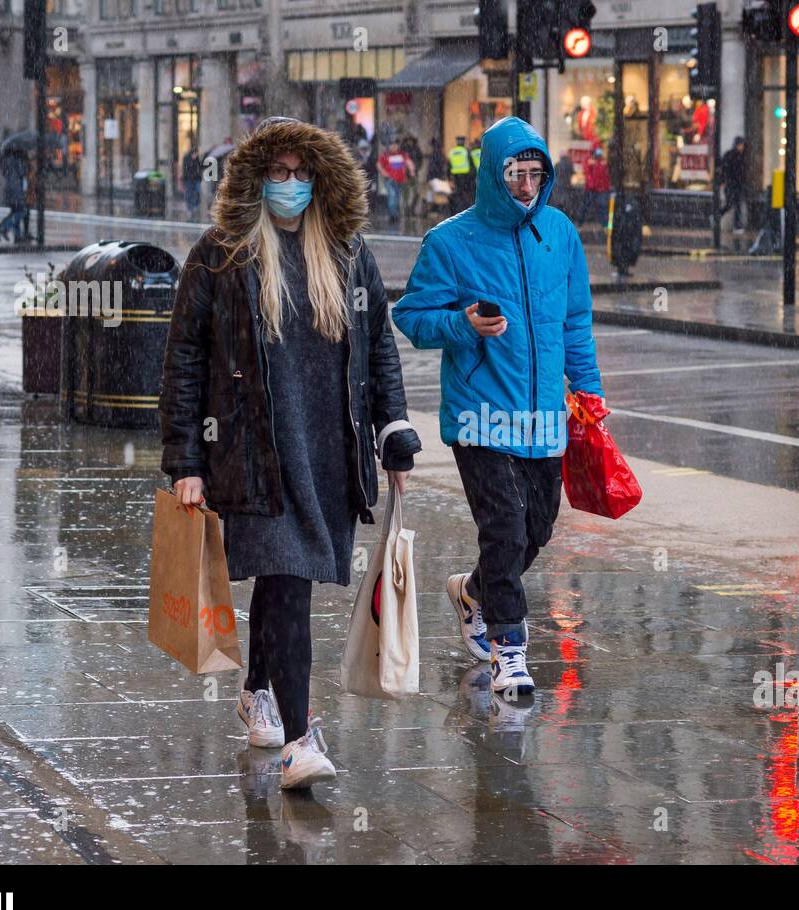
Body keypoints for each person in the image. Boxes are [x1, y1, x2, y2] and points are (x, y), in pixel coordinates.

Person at [159, 116, 421, 789]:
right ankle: (301, 740)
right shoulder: (221, 253)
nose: (291, 184)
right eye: (278, 172)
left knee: (283, 583)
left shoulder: (346, 252)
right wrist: (185, 460)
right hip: (252, 451)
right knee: (288, 580)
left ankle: (257, 688)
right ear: (254, 179)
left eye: (303, 173)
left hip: (328, 455)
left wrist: (393, 432)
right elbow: (186, 356)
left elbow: (379, 346)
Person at [392, 117, 605, 697]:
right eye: (517, 174)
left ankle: (474, 591)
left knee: (536, 528)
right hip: (480, 416)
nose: (528, 185)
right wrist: (461, 325)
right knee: (506, 528)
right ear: (494, 173)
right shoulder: (450, 241)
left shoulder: (559, 234)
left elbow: (575, 323)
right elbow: (410, 316)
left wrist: (587, 391)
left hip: (542, 417)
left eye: (537, 174)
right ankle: (510, 651)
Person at [0, 150, 28, 243]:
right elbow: (23, 174)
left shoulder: (5, 160)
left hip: (9, 188)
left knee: (15, 211)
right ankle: (3, 228)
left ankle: (17, 236)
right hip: (16, 188)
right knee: (21, 211)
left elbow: (6, 173)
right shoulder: (17, 160)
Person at [376, 140, 412, 226]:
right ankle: (393, 216)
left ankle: (395, 214)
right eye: (392, 145)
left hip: (400, 180)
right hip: (390, 180)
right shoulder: (386, 155)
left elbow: (409, 162)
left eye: (395, 145)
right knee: (392, 197)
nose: (393, 147)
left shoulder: (402, 154)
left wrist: (411, 171)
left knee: (396, 198)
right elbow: (378, 164)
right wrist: (384, 173)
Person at [718, 136, 747, 234]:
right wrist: (723, 181)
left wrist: (723, 181)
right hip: (732, 184)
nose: (742, 147)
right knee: (733, 204)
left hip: (732, 184)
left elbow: (723, 169)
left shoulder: (733, 155)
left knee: (733, 204)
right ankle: (736, 225)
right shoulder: (735, 156)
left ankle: (736, 224)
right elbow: (725, 170)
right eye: (741, 145)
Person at [583, 145, 611, 228]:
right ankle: (605, 225)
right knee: (601, 207)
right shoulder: (600, 163)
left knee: (593, 206)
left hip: (596, 188)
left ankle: (604, 224)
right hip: (598, 188)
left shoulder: (595, 163)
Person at [448, 135, 476, 214]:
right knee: (467, 195)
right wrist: (474, 176)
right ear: (463, 142)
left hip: (456, 177)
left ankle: (457, 210)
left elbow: (448, 165)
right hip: (466, 177)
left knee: (458, 194)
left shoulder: (452, 152)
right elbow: (472, 165)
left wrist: (449, 178)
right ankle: (465, 210)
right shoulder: (466, 151)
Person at [182, 144, 203, 219]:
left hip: (196, 179)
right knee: (189, 193)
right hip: (189, 179)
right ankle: (190, 208)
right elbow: (185, 169)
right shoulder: (187, 158)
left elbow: (199, 167)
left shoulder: (197, 159)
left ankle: (195, 206)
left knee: (197, 192)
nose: (196, 155)